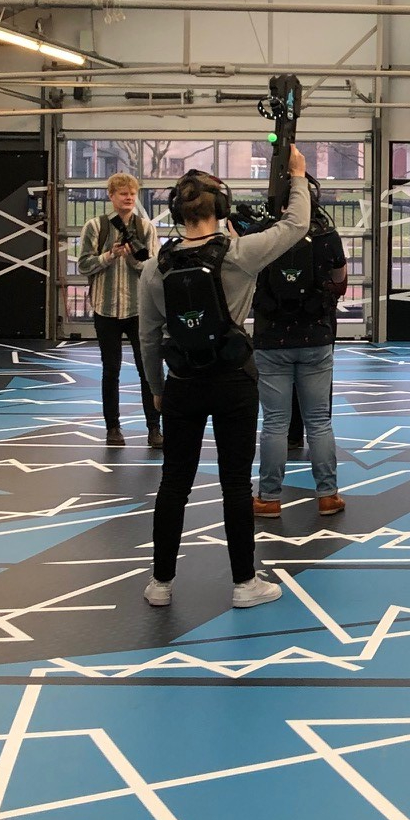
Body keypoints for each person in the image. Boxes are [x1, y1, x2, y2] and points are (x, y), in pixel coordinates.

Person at [138, 151, 309, 611]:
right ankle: (244, 583)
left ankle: (160, 583)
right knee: (235, 483)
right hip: (233, 380)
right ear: (223, 207)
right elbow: (296, 224)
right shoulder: (239, 254)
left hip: (181, 383)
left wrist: (157, 389)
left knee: (174, 483)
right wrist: (296, 176)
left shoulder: (155, 267)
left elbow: (148, 338)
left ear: (177, 212)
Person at [252, 175, 348, 520]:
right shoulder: (327, 235)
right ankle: (328, 495)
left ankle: (268, 498)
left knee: (275, 423)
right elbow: (340, 283)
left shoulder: (261, 233)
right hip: (315, 336)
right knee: (319, 421)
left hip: (270, 338)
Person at [78, 173, 162, 450]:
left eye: (132, 193)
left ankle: (154, 428)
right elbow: (83, 265)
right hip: (106, 308)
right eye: (123, 193)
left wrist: (134, 260)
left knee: (147, 369)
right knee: (110, 370)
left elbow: (154, 268)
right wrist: (110, 255)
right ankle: (112, 427)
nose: (128, 198)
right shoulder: (95, 226)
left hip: (139, 309)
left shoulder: (146, 228)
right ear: (111, 196)